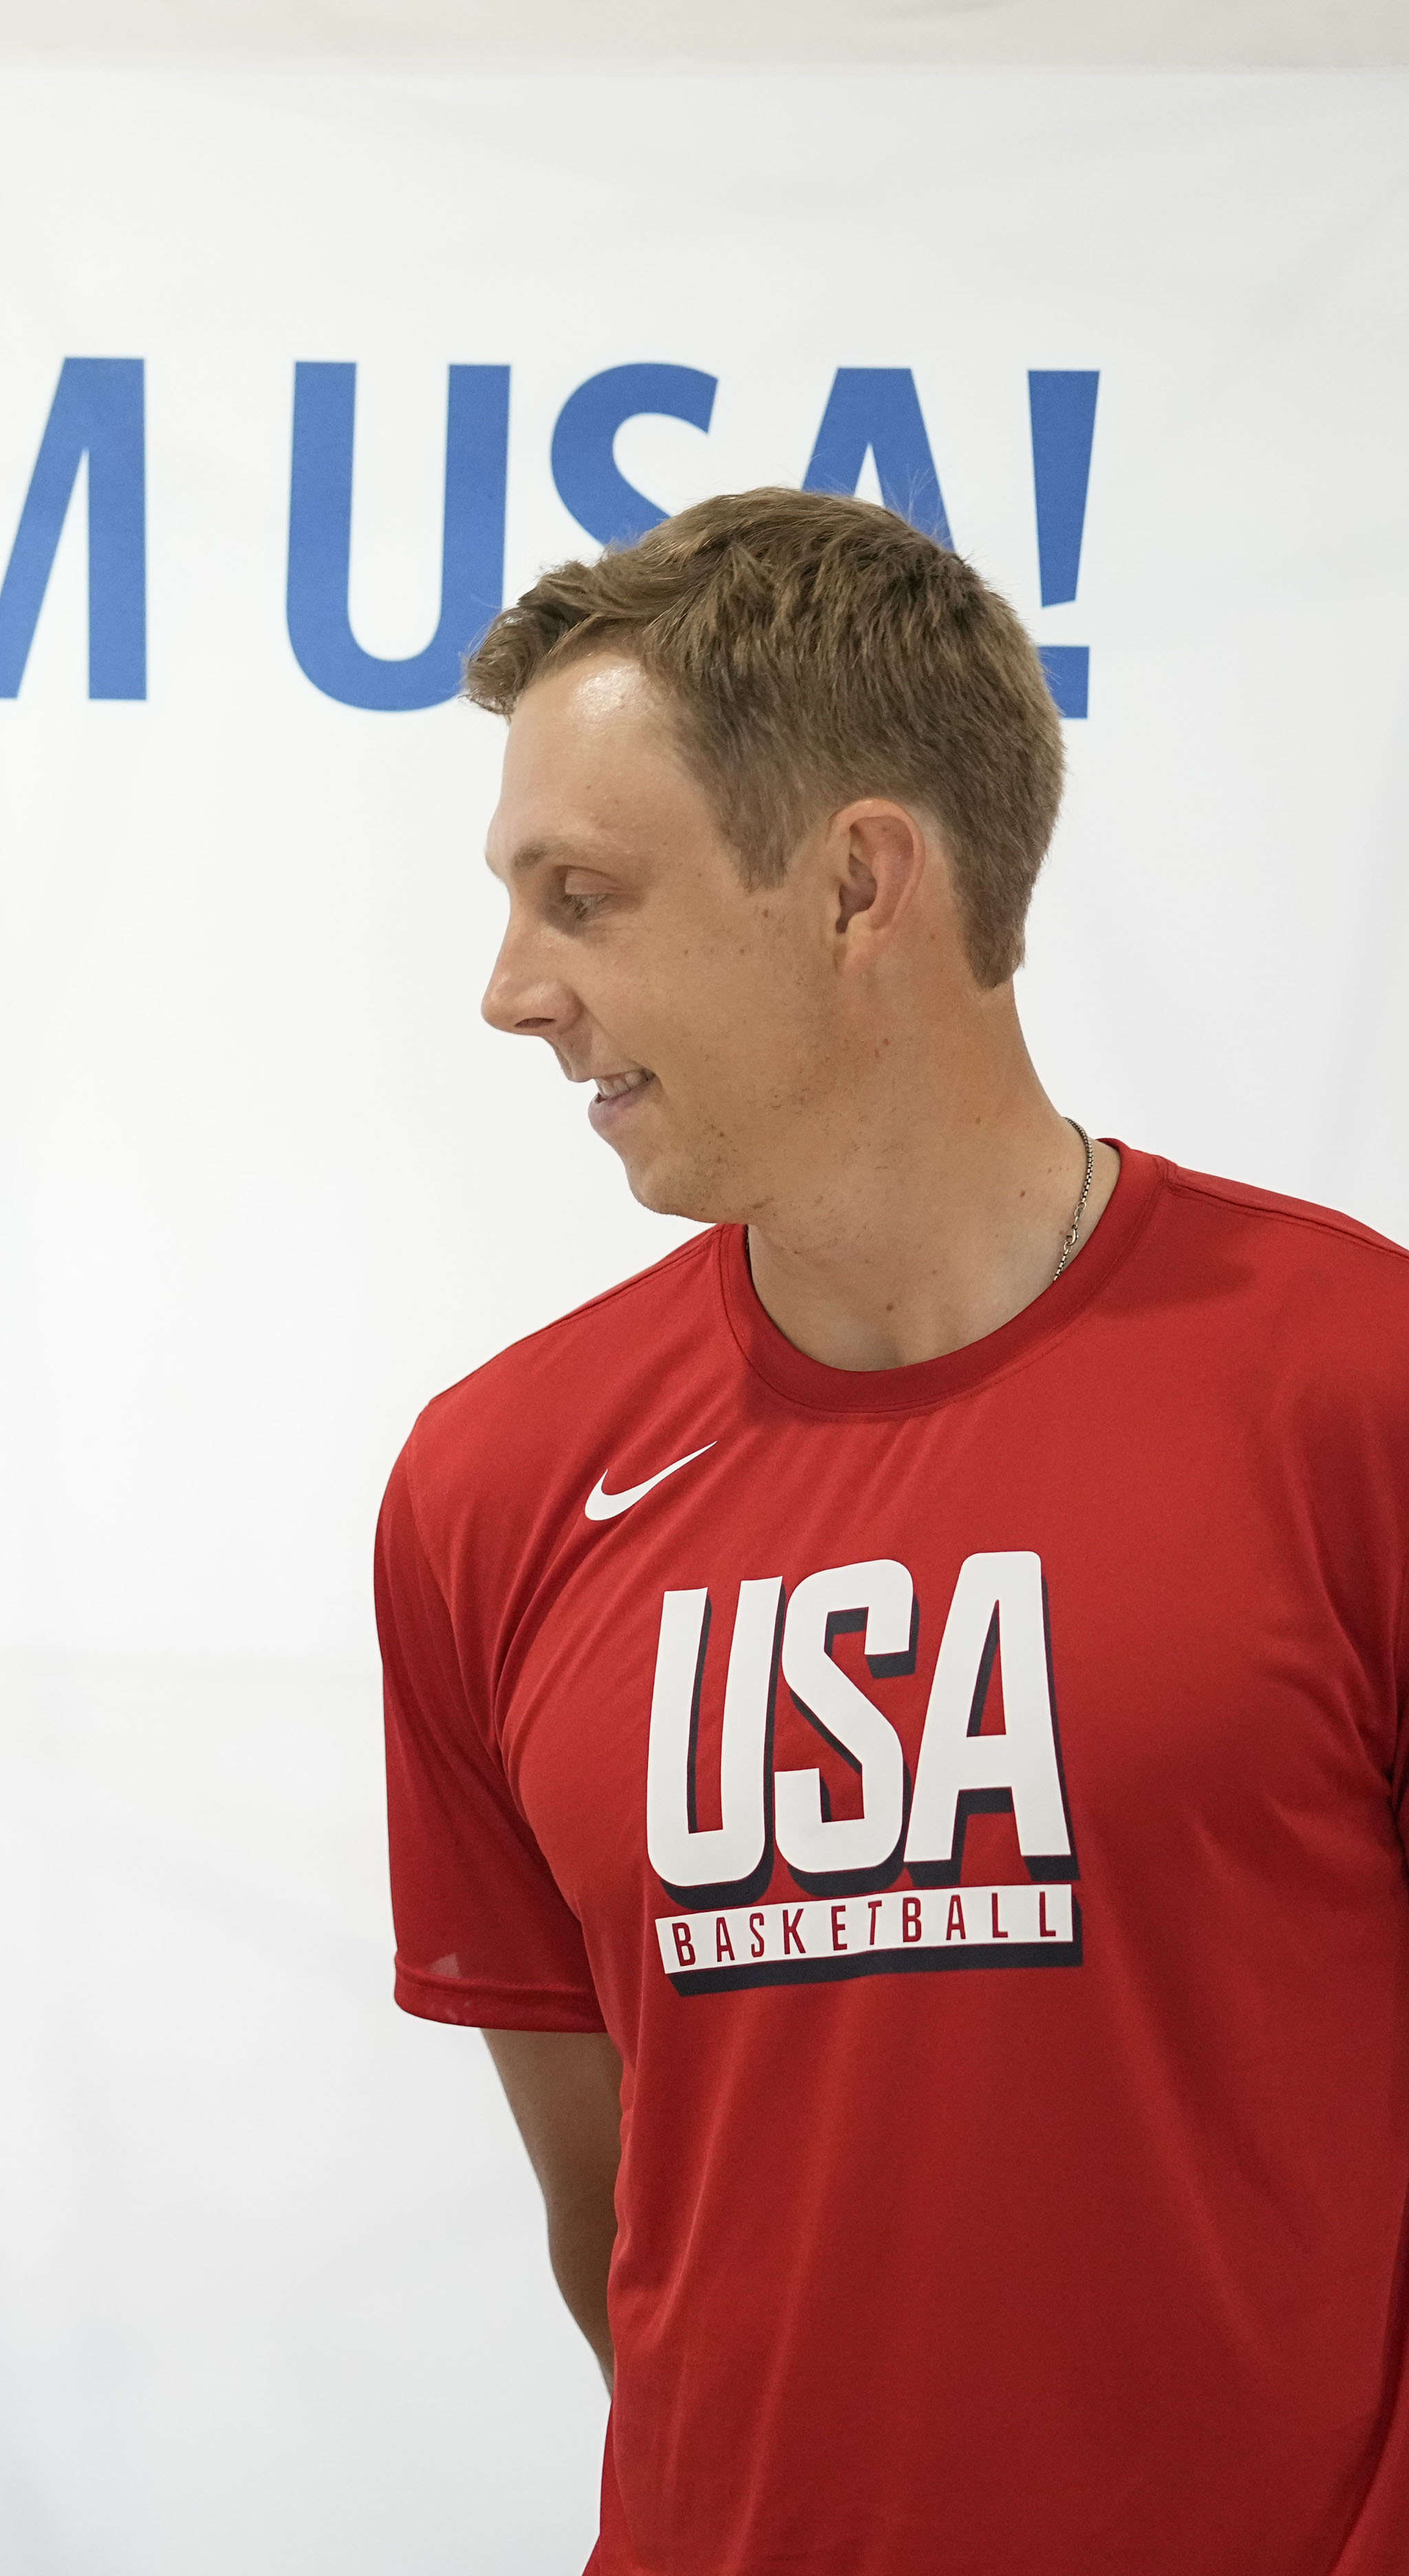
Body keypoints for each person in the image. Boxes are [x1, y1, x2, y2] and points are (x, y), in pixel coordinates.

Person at [378, 489, 1409, 2572]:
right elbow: (627, 2231)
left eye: (581, 896)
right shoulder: (490, 1490)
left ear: (861, 883)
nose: (512, 992)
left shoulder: (1355, 1394)